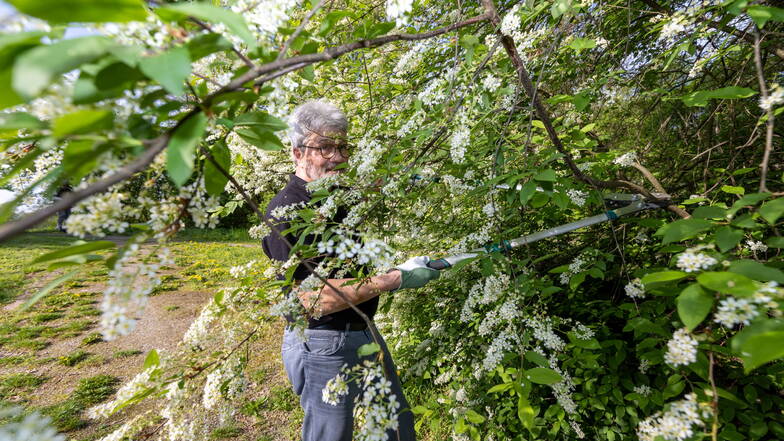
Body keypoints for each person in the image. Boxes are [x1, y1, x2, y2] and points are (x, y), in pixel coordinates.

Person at [261, 100, 440, 441]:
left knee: (397, 429)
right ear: (297, 152)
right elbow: (312, 299)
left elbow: (370, 185)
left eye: (343, 146)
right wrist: (395, 279)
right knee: (331, 435)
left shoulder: (334, 196)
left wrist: (407, 177)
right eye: (325, 147)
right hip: (323, 340)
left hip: (363, 329)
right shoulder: (285, 212)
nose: (339, 157)